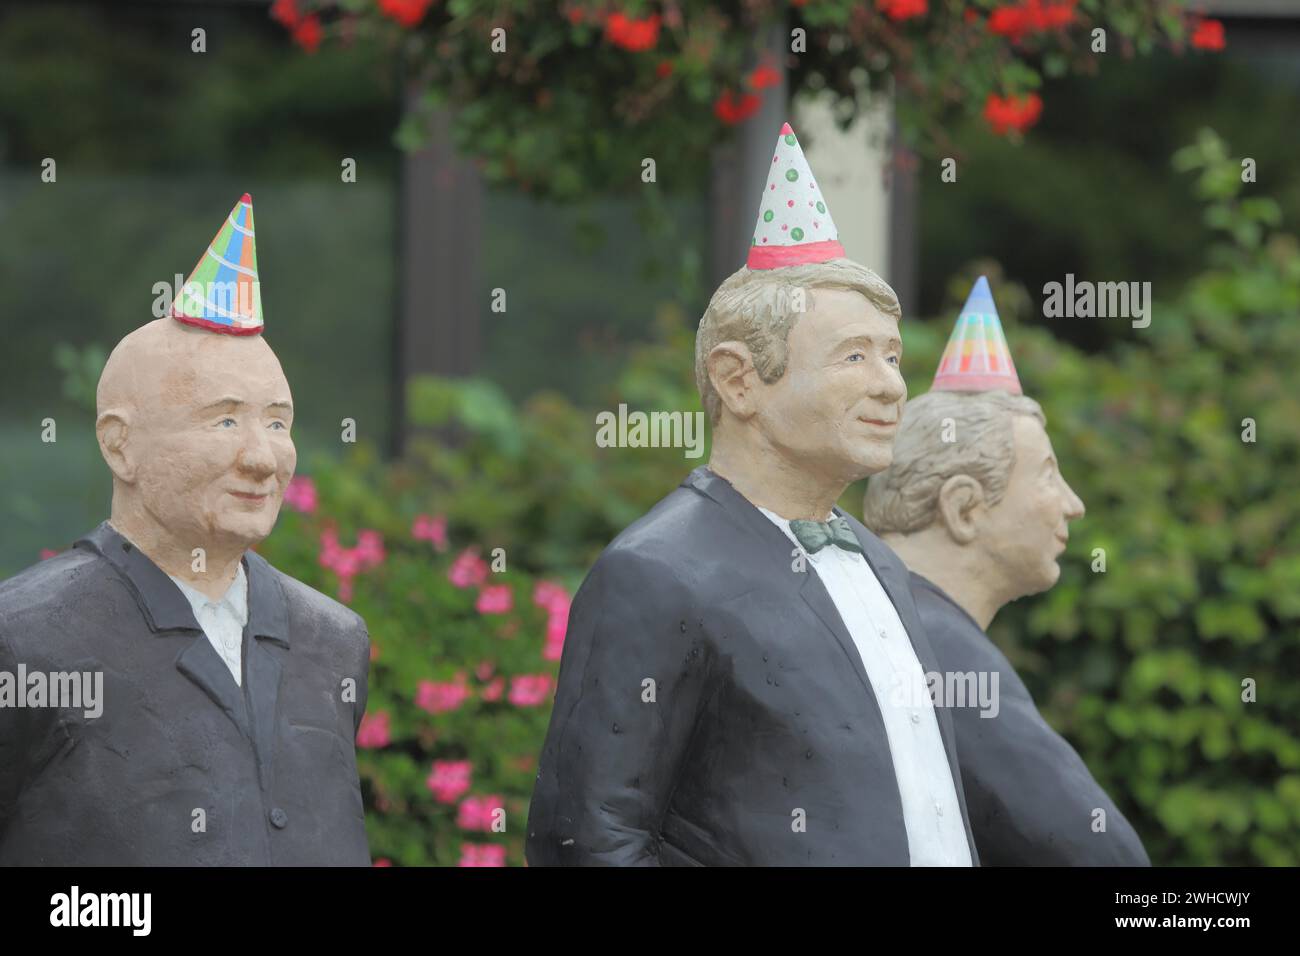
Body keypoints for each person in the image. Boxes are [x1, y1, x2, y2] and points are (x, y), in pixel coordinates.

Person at [526, 125, 978, 866]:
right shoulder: (656, 573)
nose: (892, 385)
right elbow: (587, 839)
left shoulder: (878, 563)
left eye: (894, 356)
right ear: (740, 379)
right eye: (854, 356)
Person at [0, 195, 371, 865]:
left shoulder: (333, 640)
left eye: (278, 422)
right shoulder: (24, 637)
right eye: (223, 420)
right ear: (121, 446)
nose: (261, 457)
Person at [863, 276, 1149, 865]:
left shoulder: (871, 620)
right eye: (1047, 474)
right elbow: (1103, 857)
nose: (1073, 503)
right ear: (964, 507)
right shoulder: (936, 645)